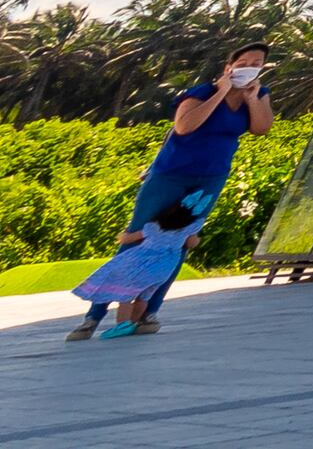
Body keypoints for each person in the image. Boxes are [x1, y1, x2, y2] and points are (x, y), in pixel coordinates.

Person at [60, 43, 276, 344]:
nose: (249, 67)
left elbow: (261, 128)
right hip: (170, 174)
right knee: (137, 239)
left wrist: (252, 99)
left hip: (210, 178)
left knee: (178, 243)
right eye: (243, 62)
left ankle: (149, 313)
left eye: (256, 63)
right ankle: (93, 316)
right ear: (228, 67)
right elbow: (185, 126)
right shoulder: (201, 92)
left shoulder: (260, 94)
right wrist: (220, 92)